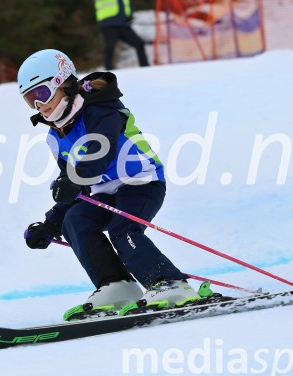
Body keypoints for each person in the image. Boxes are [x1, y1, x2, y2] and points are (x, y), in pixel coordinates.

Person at [19, 49, 198, 321]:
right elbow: (73, 190)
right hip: (103, 192)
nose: (38, 106)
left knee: (122, 228)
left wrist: (74, 180)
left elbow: (100, 151)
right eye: (29, 100)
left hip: (141, 183)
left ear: (62, 84)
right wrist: (50, 224)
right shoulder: (55, 137)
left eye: (41, 94)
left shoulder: (102, 109)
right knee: (75, 219)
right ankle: (117, 286)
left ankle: (170, 284)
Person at [91, 0, 151, 70]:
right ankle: (109, 73)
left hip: (123, 25)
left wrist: (129, 16)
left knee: (139, 44)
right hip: (108, 25)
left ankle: (146, 69)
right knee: (109, 48)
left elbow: (126, 3)